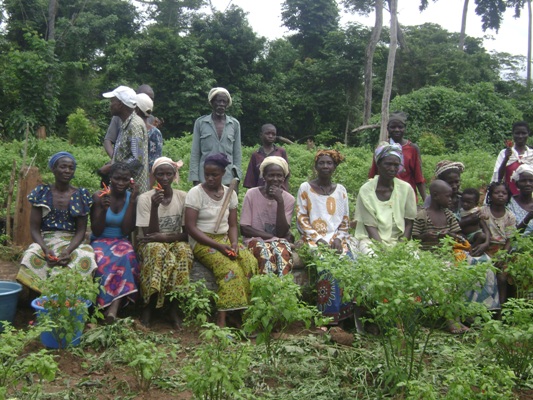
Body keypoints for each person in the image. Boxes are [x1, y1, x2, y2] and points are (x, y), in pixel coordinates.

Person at [184, 153, 258, 328]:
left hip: (225, 239)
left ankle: (243, 314)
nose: (209, 178)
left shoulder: (229, 193)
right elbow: (191, 228)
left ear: (223, 174)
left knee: (249, 262)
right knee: (229, 268)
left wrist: (233, 243)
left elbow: (232, 225)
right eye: (206, 174)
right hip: (202, 240)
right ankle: (222, 320)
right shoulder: (195, 193)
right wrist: (218, 246)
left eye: (214, 175)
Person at [17, 152, 97, 292]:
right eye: (63, 167)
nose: (67, 171)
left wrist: (68, 251)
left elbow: (80, 231)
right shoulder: (42, 193)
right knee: (30, 255)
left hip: (71, 241)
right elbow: (35, 228)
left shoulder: (80, 195)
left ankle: (74, 298)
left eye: (71, 168)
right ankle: (39, 297)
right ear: (53, 169)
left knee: (86, 257)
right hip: (46, 240)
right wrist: (45, 249)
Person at [296, 149, 357, 324]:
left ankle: (346, 317)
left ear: (335, 166)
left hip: (337, 238)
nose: (325, 166)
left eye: (329, 163)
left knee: (349, 264)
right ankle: (327, 319)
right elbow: (301, 219)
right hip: (314, 239)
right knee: (327, 267)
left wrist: (338, 238)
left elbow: (345, 219)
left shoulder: (341, 190)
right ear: (315, 166)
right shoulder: (305, 188)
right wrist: (318, 239)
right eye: (321, 163)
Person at [136, 157, 193, 328]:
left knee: (184, 252)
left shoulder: (183, 197)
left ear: (175, 175)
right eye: (160, 174)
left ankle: (173, 307)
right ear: (154, 176)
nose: (165, 178)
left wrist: (165, 238)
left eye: (169, 174)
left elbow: (187, 233)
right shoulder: (145, 199)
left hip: (173, 240)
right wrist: (154, 207)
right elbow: (149, 235)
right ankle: (149, 306)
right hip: (150, 243)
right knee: (156, 250)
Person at [90, 163, 140, 322]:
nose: (120, 183)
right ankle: (102, 306)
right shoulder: (100, 195)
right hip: (99, 240)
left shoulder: (130, 198)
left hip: (120, 240)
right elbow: (96, 230)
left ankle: (113, 308)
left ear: (130, 181)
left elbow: (126, 230)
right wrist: (104, 210)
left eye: (125, 179)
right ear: (110, 178)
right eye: (117, 178)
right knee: (101, 259)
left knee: (126, 255)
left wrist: (132, 201)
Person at [355, 142, 417, 255]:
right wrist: (382, 250)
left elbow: (409, 223)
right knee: (372, 257)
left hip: (399, 240)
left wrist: (401, 247)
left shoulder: (406, 189)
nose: (392, 169)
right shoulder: (366, 191)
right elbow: (370, 226)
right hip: (372, 240)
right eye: (388, 164)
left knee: (413, 259)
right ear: (378, 164)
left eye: (396, 165)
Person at [241, 156, 295, 276]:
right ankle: (264, 292)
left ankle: (283, 291)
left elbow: (282, 232)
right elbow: (244, 228)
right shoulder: (251, 194)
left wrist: (280, 202)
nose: (275, 179)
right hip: (254, 240)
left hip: (278, 240)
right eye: (271, 175)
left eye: (279, 176)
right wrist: (272, 237)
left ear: (283, 177)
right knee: (265, 256)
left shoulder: (288, 199)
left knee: (283, 256)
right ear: (264, 176)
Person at [100, 85, 149, 193]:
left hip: (132, 192)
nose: (110, 105)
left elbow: (137, 160)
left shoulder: (134, 125)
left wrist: (112, 168)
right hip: (124, 189)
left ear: (120, 104)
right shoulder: (126, 123)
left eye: (112, 101)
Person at [188, 87, 242, 186]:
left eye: (224, 101)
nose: (221, 104)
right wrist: (195, 178)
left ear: (227, 104)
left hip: (227, 178)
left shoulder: (234, 124)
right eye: (218, 101)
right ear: (212, 102)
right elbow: (195, 153)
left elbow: (237, 154)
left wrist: (237, 178)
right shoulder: (201, 123)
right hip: (205, 178)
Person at [368, 112, 426, 201]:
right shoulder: (381, 148)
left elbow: (418, 177)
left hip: (407, 197)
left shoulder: (412, 148)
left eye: (400, 127)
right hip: (385, 197)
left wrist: (426, 201)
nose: (397, 130)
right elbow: (373, 174)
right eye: (393, 127)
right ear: (387, 128)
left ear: (405, 129)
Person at [480, 182, 516, 304]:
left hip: (502, 250)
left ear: (508, 196)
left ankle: (500, 308)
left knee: (502, 277)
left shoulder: (510, 216)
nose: (500, 195)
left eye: (504, 193)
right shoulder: (483, 211)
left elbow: (510, 239)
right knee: (483, 275)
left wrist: (503, 255)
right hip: (485, 247)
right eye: (496, 192)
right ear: (490, 195)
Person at [412, 180, 465, 251]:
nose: (450, 199)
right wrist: (425, 236)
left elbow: (458, 235)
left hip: (447, 256)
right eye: (447, 196)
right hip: (426, 257)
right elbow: (414, 238)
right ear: (435, 196)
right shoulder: (422, 216)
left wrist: (449, 235)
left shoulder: (449, 215)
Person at [243, 124, 289, 191]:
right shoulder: (255, 155)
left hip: (279, 190)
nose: (270, 136)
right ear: (261, 135)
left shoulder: (281, 152)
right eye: (267, 133)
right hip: (261, 192)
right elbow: (251, 179)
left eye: (273, 134)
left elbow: (287, 174)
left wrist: (285, 190)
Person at [492, 121, 533, 196]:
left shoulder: (531, 154)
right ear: (513, 134)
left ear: (528, 134)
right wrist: (506, 159)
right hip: (508, 198)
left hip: (530, 199)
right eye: (517, 133)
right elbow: (498, 177)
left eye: (523, 133)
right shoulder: (504, 153)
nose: (520, 136)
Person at [459, 188, 490, 256]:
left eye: (468, 202)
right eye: (463, 201)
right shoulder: (460, 210)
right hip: (464, 235)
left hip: (475, 234)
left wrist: (484, 216)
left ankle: (472, 248)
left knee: (482, 236)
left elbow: (485, 220)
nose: (465, 204)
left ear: (475, 203)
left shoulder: (476, 211)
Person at [508, 164, 533, 235]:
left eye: (531, 181)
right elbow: (512, 235)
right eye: (523, 181)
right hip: (515, 244)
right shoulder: (509, 203)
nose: (528, 184)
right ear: (516, 184)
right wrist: (527, 218)